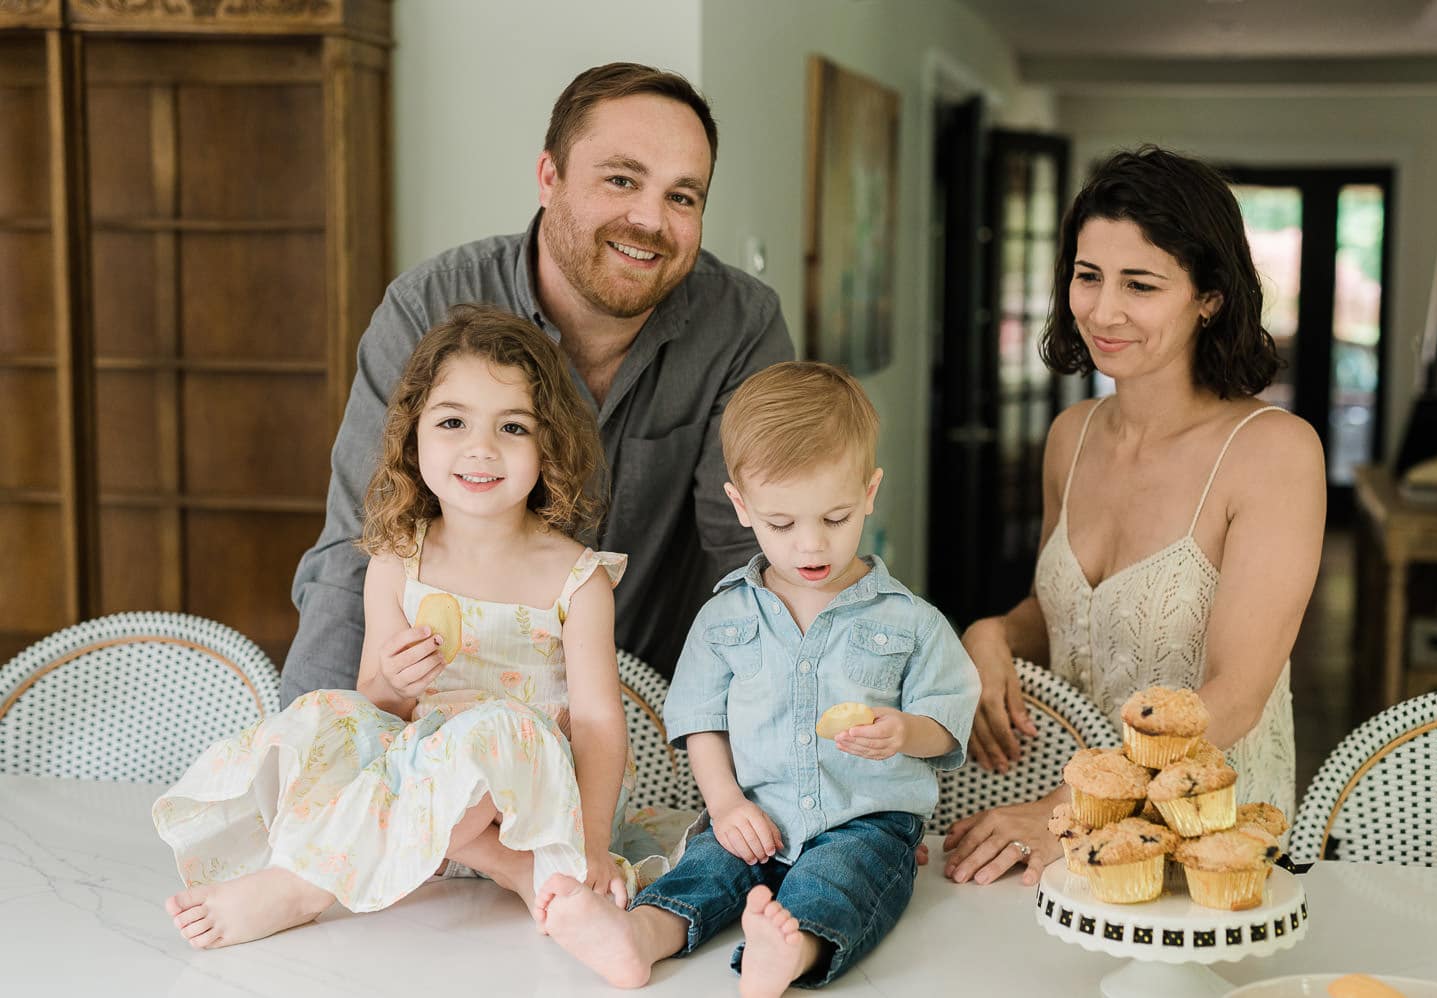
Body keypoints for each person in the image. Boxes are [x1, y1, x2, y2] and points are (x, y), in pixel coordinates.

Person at [282, 62, 794, 707]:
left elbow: (758, 556)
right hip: (444, 716)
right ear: (549, 178)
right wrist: (315, 759)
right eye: (621, 179)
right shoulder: (428, 308)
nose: (651, 220)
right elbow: (359, 548)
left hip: (665, 710)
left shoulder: (741, 326)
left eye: (682, 196)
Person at [154, 305, 664, 948]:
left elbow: (595, 723)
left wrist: (590, 844)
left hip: (538, 802)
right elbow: (378, 707)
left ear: (549, 445)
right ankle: (513, 869)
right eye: (453, 422)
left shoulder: (578, 579)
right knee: (324, 713)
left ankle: (305, 887)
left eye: (513, 426)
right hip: (423, 817)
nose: (481, 448)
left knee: (495, 729)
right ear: (413, 435)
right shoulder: (398, 562)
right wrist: (394, 680)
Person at [942, 146, 1325, 888]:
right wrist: (992, 631)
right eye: (1088, 276)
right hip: (1067, 833)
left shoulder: (1274, 453)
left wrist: (1071, 809)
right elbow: (1063, 616)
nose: (1102, 310)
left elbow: (1238, 692)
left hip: (1207, 845)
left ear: (1209, 297)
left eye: (1140, 284)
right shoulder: (1070, 436)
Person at [534, 361, 981, 995]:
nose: (811, 547)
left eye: (835, 518)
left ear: (870, 492)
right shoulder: (723, 619)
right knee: (706, 867)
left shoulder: (911, 621)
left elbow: (947, 722)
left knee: (843, 878)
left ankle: (788, 951)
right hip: (753, 811)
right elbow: (701, 724)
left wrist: (907, 732)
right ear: (741, 507)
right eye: (782, 524)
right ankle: (639, 937)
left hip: (868, 821)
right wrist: (724, 803)